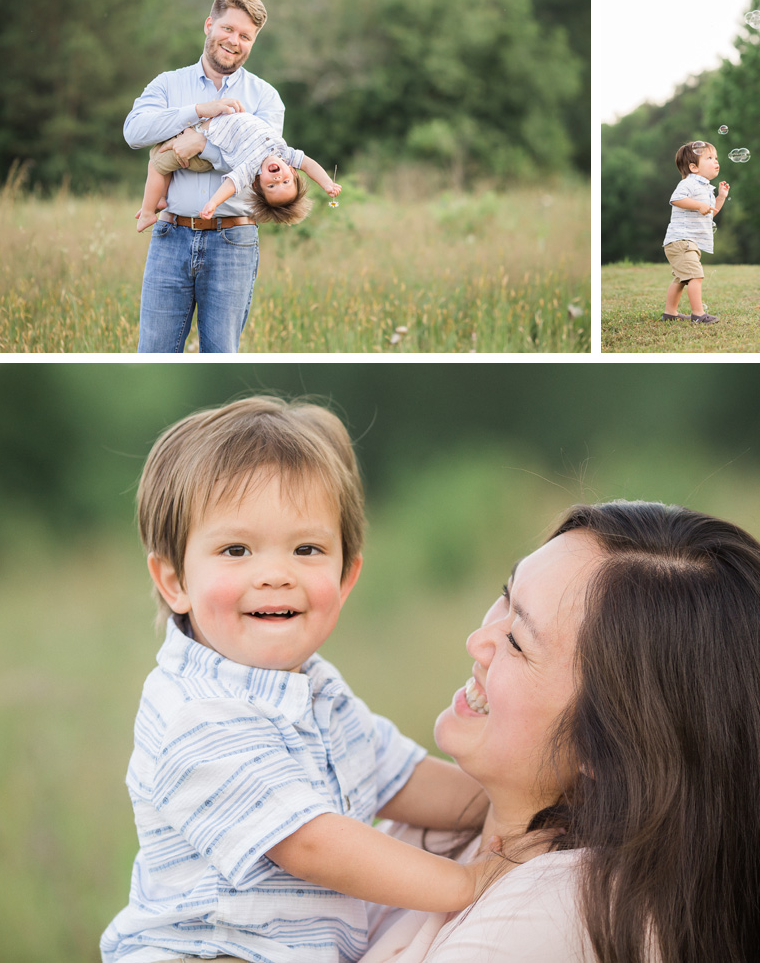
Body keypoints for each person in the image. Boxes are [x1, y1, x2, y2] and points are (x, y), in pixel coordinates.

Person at [100, 396, 533, 963]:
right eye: (236, 550)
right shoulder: (197, 714)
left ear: (346, 575)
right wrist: (469, 884)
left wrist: (528, 807)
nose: (276, 574)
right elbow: (310, 844)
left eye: (307, 549)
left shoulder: (315, 689)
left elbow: (398, 778)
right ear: (174, 579)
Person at [360, 500, 760, 962]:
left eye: (517, 641)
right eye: (505, 595)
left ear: (607, 747)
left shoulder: (562, 911)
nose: (478, 640)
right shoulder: (454, 817)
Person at [124, 0, 286, 353]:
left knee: (221, 356)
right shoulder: (169, 85)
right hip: (170, 236)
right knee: (154, 354)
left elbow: (263, 163)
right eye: (228, 28)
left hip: (233, 240)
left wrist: (201, 144)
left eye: (246, 36)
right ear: (208, 25)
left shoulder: (265, 98)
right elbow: (134, 132)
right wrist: (198, 112)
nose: (234, 41)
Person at [135, 108, 341, 233]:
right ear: (293, 172)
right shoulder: (285, 153)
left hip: (200, 151)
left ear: (257, 182)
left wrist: (213, 203)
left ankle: (147, 212)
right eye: (285, 182)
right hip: (202, 133)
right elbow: (309, 164)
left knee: (156, 163)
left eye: (271, 185)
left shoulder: (252, 166)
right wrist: (327, 184)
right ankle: (161, 198)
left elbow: (231, 185)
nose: (278, 178)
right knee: (162, 161)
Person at [660, 141, 730, 325]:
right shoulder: (689, 183)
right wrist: (699, 205)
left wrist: (720, 197)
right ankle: (698, 315)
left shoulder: (706, 188)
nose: (716, 161)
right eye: (709, 158)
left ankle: (670, 313)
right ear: (693, 167)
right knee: (695, 276)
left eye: (716, 158)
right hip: (682, 240)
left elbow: (711, 212)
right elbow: (675, 199)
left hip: (688, 242)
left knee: (681, 279)